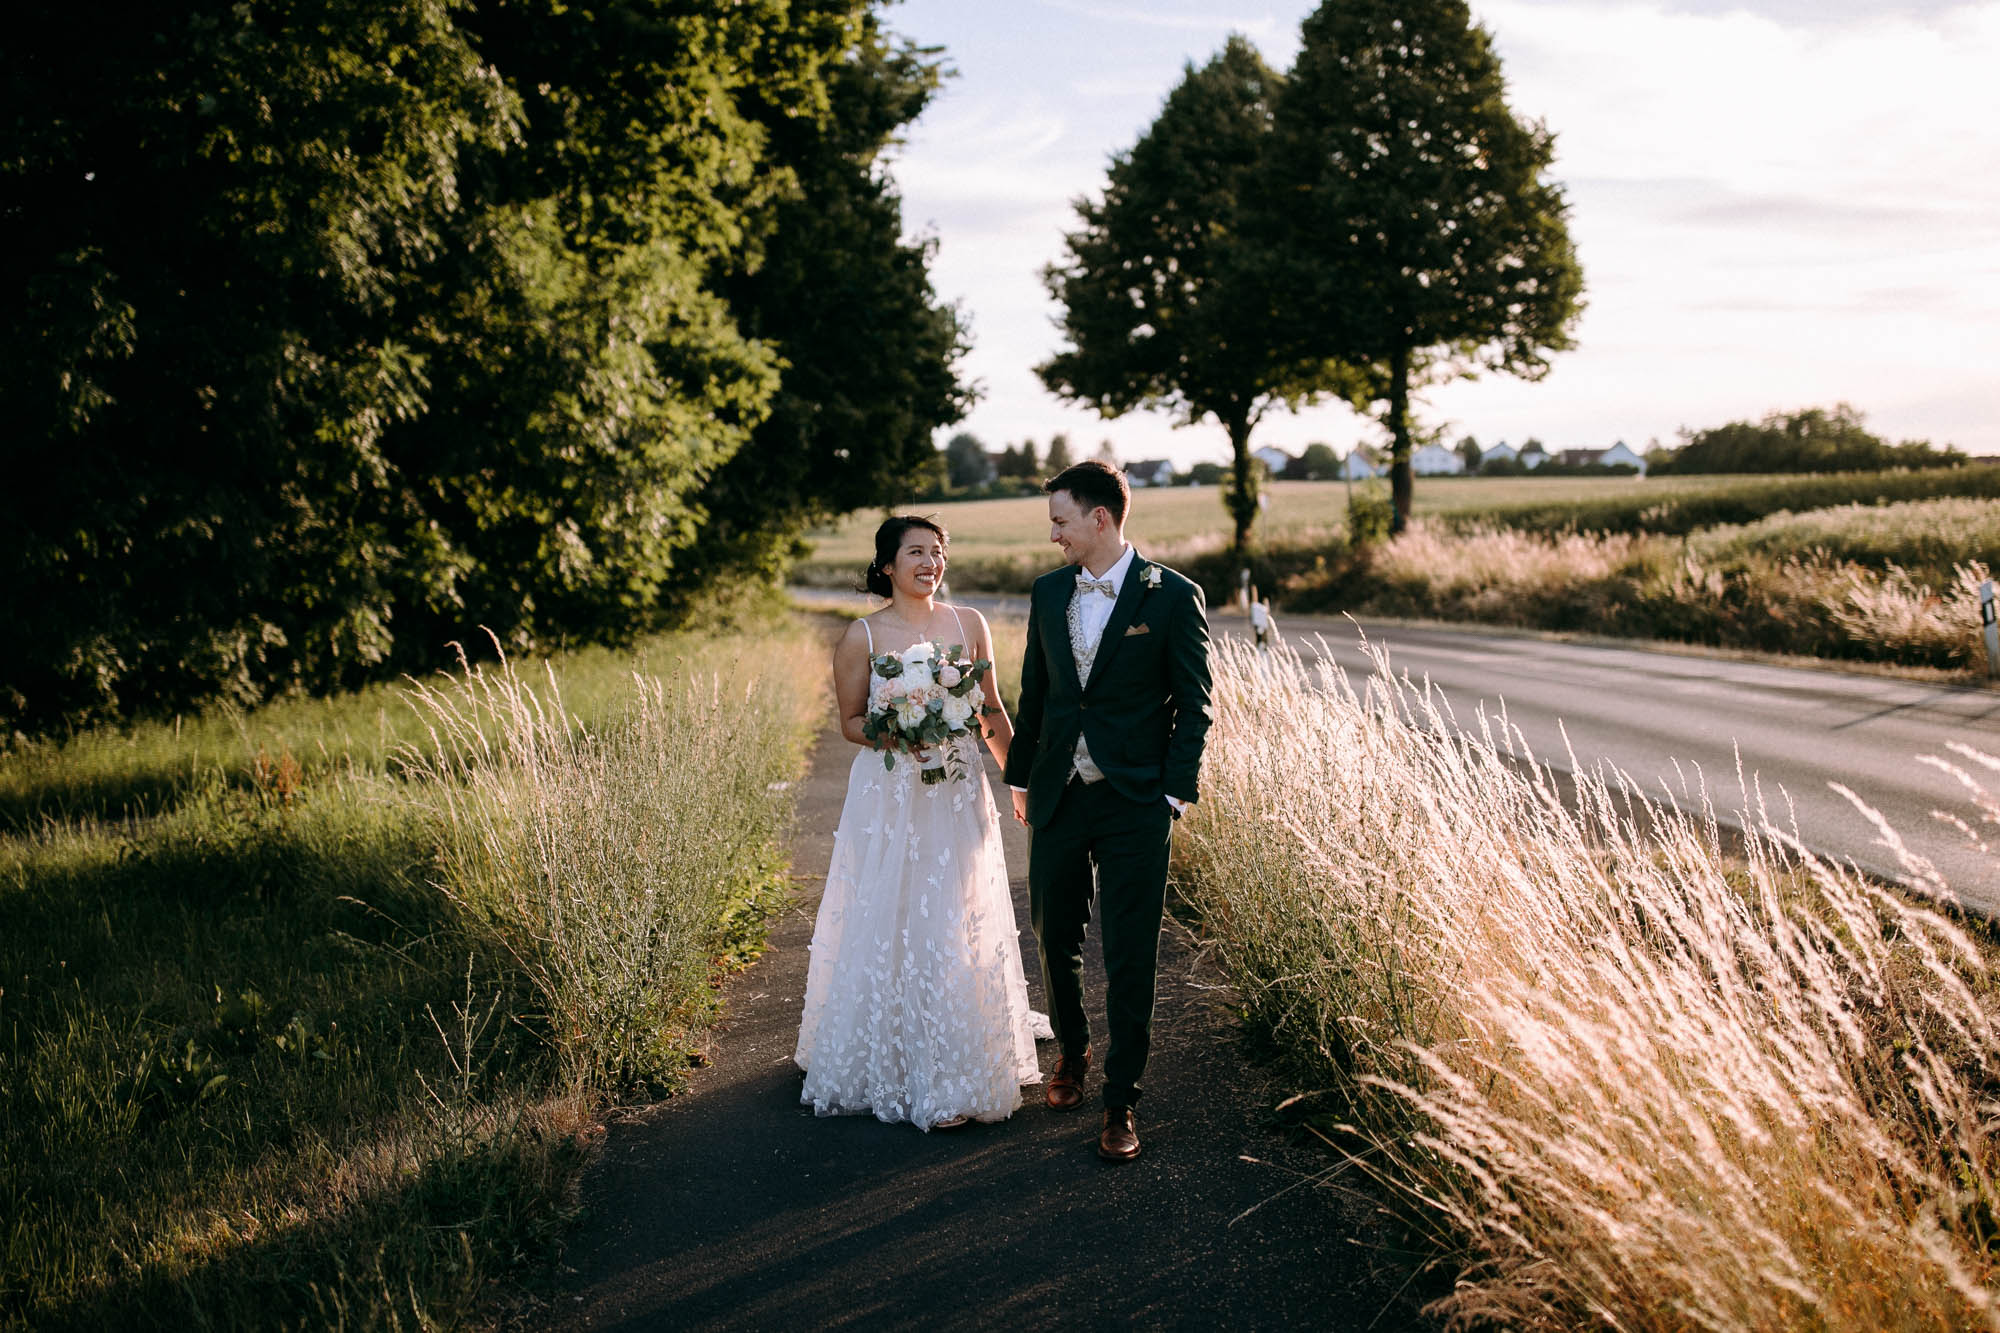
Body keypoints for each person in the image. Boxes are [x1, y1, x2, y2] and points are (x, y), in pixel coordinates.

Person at [794, 515, 1050, 1131]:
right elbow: (851, 722)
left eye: (937, 552)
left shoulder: (969, 624)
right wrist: (899, 729)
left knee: (957, 911)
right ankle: (895, 1052)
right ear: (887, 565)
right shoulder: (863, 637)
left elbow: (990, 710)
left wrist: (1019, 781)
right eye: (916, 552)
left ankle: (958, 1056)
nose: (930, 562)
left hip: (959, 789)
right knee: (893, 909)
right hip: (891, 792)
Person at [1004, 460, 1213, 1162]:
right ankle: (1072, 1049)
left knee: (1131, 949)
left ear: (1100, 517)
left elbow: (1195, 704)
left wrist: (1174, 791)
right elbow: (1038, 695)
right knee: (1052, 930)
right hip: (1059, 791)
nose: (1054, 534)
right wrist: (1021, 779)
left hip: (1136, 801)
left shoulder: (1174, 596)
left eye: (1061, 520)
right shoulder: (1048, 591)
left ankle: (1121, 1097)